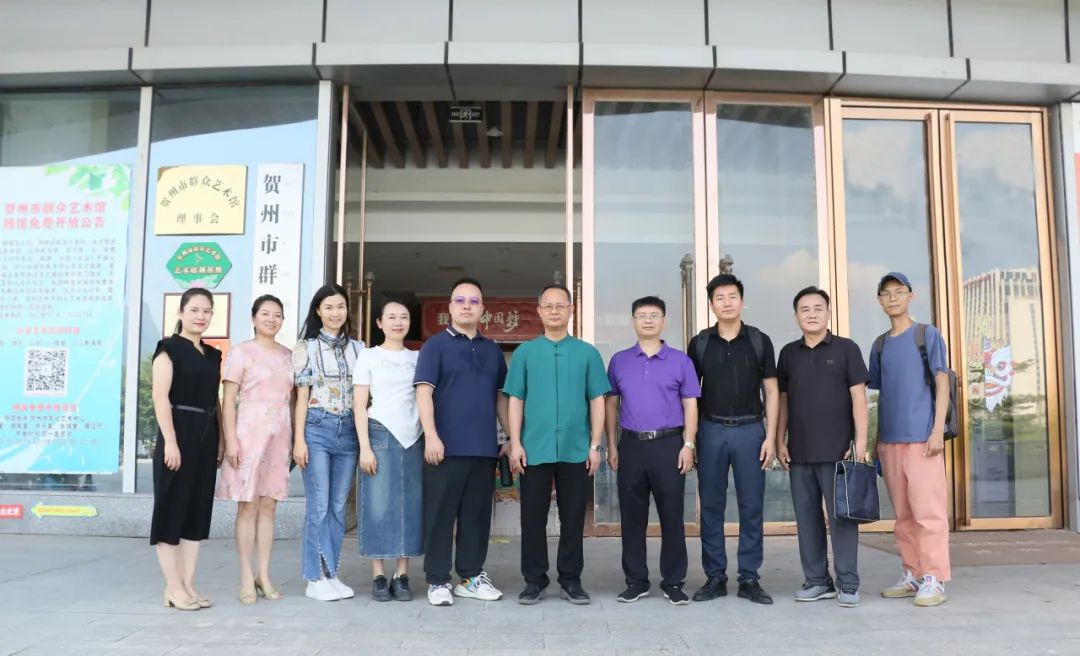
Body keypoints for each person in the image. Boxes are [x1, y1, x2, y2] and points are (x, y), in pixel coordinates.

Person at [505, 284, 610, 606]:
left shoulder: (587, 353)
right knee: (532, 518)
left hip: (576, 449)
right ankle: (534, 581)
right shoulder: (525, 353)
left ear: (571, 310)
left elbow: (597, 400)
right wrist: (515, 442)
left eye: (560, 305)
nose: (554, 311)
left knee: (573, 517)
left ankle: (571, 580)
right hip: (534, 448)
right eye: (548, 306)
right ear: (539, 311)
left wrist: (595, 444)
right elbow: (515, 399)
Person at [414, 277, 510, 607]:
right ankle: (438, 579)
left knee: (476, 517)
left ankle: (470, 577)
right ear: (450, 307)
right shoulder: (435, 346)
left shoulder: (493, 350)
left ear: (482, 309)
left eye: (473, 301)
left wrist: (511, 437)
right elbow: (423, 393)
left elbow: (500, 398)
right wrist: (431, 436)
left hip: (483, 449)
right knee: (440, 516)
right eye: (460, 300)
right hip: (444, 448)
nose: (467, 306)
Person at [687, 273, 778, 605]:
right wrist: (691, 439)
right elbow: (690, 395)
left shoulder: (759, 340)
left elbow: (771, 391)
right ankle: (715, 576)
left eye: (732, 296)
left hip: (750, 431)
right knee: (711, 506)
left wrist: (771, 436)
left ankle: (749, 578)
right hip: (711, 430)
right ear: (711, 305)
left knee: (751, 506)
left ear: (742, 300)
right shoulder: (700, 343)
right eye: (719, 298)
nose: (726, 303)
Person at [775, 287, 869, 608]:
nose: (811, 314)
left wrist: (860, 443)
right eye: (805, 309)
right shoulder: (789, 354)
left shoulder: (846, 349)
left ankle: (848, 583)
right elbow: (783, 401)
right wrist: (780, 439)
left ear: (828, 313)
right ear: (796, 316)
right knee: (807, 520)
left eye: (818, 308)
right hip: (799, 453)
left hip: (838, 451)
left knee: (842, 519)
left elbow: (859, 398)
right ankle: (817, 581)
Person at [605, 296, 699, 606]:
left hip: (669, 445)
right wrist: (612, 444)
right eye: (642, 315)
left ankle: (673, 581)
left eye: (654, 315)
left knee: (672, 516)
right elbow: (611, 405)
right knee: (632, 517)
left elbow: (690, 405)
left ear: (664, 321)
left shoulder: (680, 361)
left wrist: (688, 444)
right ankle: (636, 581)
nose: (648, 320)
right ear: (633, 321)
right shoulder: (619, 361)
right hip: (631, 445)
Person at [869, 272, 951, 607]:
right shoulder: (879, 345)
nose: (892, 298)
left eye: (898, 291)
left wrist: (937, 431)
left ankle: (935, 578)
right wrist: (876, 442)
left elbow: (942, 382)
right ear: (879, 301)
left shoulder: (925, 334)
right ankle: (913, 573)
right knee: (903, 515)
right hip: (890, 441)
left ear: (910, 296)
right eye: (886, 293)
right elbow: (878, 396)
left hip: (922, 439)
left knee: (928, 513)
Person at [215, 295, 294, 605]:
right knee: (247, 506)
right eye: (265, 314)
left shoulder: (288, 356)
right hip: (248, 434)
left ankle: (264, 573)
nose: (271, 319)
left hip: (279, 435)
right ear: (253, 318)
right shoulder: (241, 352)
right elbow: (228, 399)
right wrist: (230, 439)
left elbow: (293, 400)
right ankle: (246, 575)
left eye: (277, 315)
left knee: (269, 506)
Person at [150, 287, 223, 611]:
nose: (200, 316)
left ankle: (188, 584)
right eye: (194, 310)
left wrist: (221, 439)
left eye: (206, 311)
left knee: (196, 512)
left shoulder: (213, 355)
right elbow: (160, 396)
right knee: (171, 509)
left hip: (207, 435)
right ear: (180, 312)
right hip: (178, 431)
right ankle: (173, 586)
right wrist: (170, 441)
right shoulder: (168, 349)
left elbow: (215, 399)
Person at [293, 283, 364, 602]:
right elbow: (301, 397)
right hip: (317, 428)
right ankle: (313, 577)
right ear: (318, 312)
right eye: (329, 307)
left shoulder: (359, 349)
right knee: (319, 504)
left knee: (337, 506)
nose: (336, 313)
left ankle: (330, 573)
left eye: (340, 306)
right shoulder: (306, 348)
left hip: (348, 431)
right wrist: (298, 440)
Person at [355, 301, 423, 602]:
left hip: (413, 437)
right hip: (380, 433)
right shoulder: (368, 356)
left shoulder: (418, 357)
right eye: (392, 317)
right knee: (379, 504)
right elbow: (359, 405)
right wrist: (364, 448)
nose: (398, 322)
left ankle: (402, 574)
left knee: (409, 505)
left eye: (404, 317)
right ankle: (379, 575)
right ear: (379, 323)